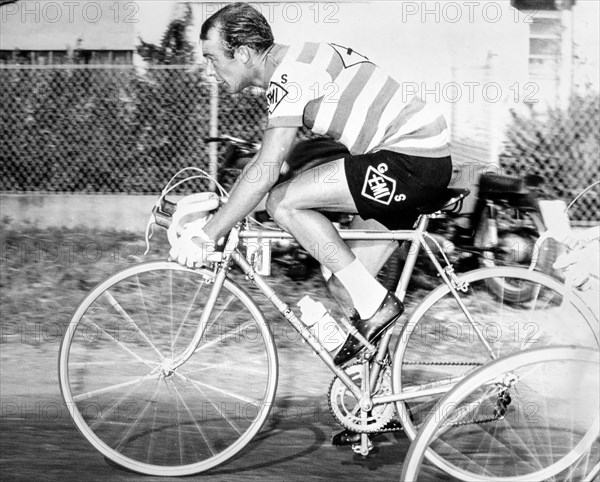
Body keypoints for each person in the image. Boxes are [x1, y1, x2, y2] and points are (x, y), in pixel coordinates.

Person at [169, 2, 453, 445]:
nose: (210, 69)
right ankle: (380, 402)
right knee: (345, 282)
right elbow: (275, 171)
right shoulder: (294, 63)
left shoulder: (290, 74)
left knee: (284, 202)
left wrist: (209, 234)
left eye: (211, 57)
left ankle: (378, 310)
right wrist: (235, 210)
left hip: (412, 158)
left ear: (242, 53)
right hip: (407, 160)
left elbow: (267, 171)